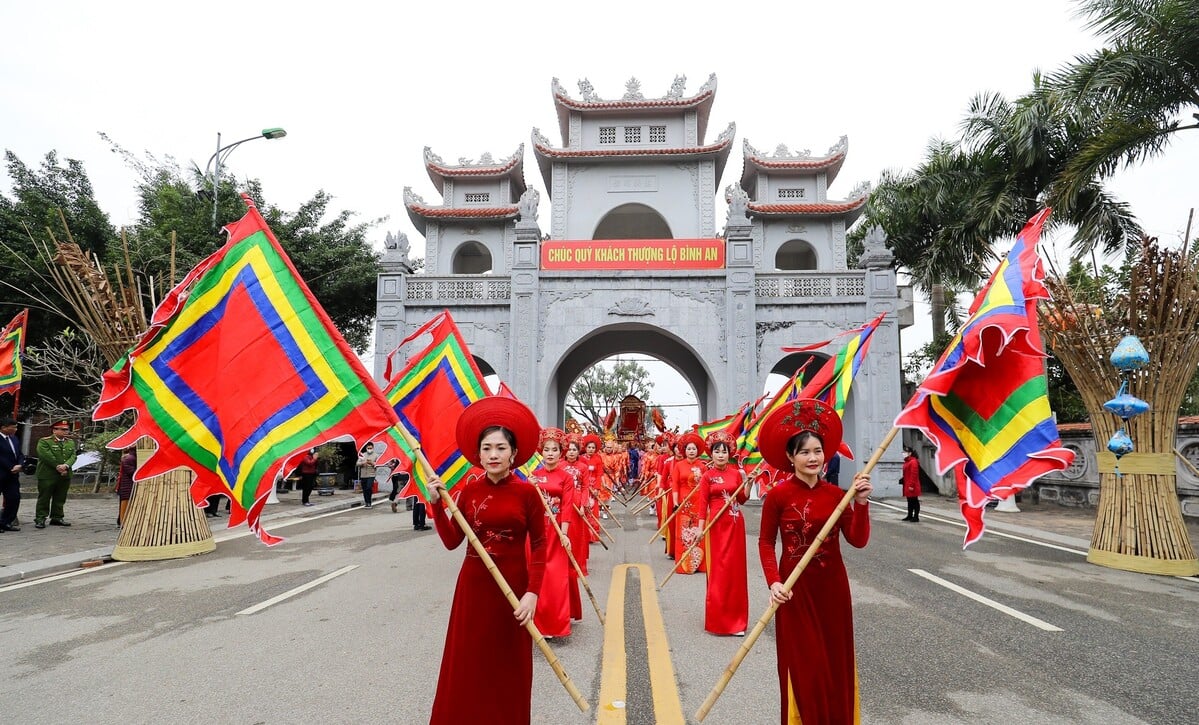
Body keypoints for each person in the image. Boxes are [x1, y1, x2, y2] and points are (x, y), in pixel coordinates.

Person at [425, 396, 546, 724]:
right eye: (487, 448)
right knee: (469, 662)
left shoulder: (527, 494)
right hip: (474, 590)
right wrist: (436, 504)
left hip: (514, 589)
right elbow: (452, 541)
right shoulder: (468, 492)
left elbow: (539, 544)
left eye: (501, 448)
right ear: (478, 455)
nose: (494, 454)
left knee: (508, 664)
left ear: (514, 453)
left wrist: (532, 593)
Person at [757, 399, 872, 725]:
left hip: (832, 590)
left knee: (834, 663)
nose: (813, 458)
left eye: (818, 451)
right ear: (791, 457)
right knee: (803, 665)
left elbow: (858, 539)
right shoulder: (778, 495)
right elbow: (766, 542)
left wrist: (860, 502)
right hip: (793, 592)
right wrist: (774, 581)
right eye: (805, 452)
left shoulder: (837, 496)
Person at [699, 430, 749, 636]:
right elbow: (702, 504)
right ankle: (718, 621)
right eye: (717, 451)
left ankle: (737, 622)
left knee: (735, 572)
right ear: (711, 454)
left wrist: (748, 482)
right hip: (716, 528)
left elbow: (743, 499)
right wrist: (700, 530)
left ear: (730, 454)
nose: (721, 455)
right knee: (719, 571)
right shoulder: (707, 476)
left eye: (724, 452)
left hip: (735, 525)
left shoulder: (736, 474)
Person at [529, 427, 574, 638]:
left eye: (554, 449)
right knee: (538, 576)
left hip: (556, 533)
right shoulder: (533, 477)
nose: (549, 453)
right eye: (546, 449)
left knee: (556, 579)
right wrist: (528, 487)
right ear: (541, 452)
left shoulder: (566, 478)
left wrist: (564, 534)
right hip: (537, 532)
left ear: (560, 452)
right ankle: (538, 623)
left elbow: (566, 507)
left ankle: (556, 624)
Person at [670, 431, 708, 575]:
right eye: (688, 449)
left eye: (693, 449)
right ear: (684, 451)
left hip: (699, 502)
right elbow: (675, 485)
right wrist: (675, 502)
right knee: (684, 532)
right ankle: (684, 564)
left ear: (697, 450)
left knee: (698, 531)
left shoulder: (703, 466)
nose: (691, 451)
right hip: (683, 502)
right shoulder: (679, 465)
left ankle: (699, 564)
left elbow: (706, 486)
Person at [34, 420, 77, 528]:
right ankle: (40, 518)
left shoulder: (70, 442)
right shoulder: (45, 441)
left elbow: (73, 456)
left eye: (66, 429)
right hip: (48, 474)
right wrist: (58, 466)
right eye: (62, 429)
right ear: (54, 430)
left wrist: (66, 465)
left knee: (60, 497)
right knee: (44, 497)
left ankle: (57, 517)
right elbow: (45, 455)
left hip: (65, 474)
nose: (65, 431)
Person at [0, 417, 24, 532]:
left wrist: (20, 464)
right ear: (3, 427)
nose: (15, 429)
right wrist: (10, 467)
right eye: (13, 427)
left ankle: (6, 522)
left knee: (14, 498)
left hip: (13, 476)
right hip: (2, 473)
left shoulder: (14, 438)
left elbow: (19, 453)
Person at [116, 446, 136, 527]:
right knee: (125, 503)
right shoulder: (129, 458)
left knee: (125, 503)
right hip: (127, 485)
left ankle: (121, 521)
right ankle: (122, 522)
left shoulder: (129, 457)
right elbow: (131, 472)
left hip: (126, 485)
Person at [901, 445, 922, 522]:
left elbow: (914, 474)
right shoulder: (907, 461)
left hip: (912, 484)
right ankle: (909, 515)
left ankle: (916, 516)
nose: (903, 453)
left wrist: (911, 485)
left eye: (905, 452)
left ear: (910, 453)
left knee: (914, 500)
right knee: (909, 500)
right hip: (907, 483)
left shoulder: (913, 462)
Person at [356, 442, 378, 509]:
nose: (369, 449)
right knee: (365, 489)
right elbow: (357, 463)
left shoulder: (376, 455)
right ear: (366, 448)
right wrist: (363, 463)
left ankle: (369, 502)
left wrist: (372, 463)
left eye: (370, 448)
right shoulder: (363, 455)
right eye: (368, 448)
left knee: (369, 487)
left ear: (373, 448)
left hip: (371, 474)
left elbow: (378, 464)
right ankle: (366, 502)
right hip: (363, 475)